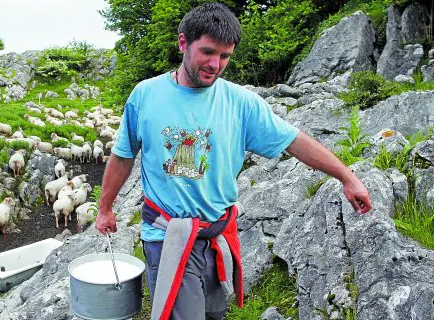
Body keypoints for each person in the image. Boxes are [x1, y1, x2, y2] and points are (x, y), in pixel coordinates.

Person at [96, 3, 372, 320]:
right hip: (168, 236)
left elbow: (296, 141)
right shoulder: (146, 95)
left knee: (215, 314)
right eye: (208, 52)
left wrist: (347, 177)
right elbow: (122, 155)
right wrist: (105, 207)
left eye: (225, 56)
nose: (215, 64)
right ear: (183, 43)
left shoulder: (240, 102)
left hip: (216, 235)